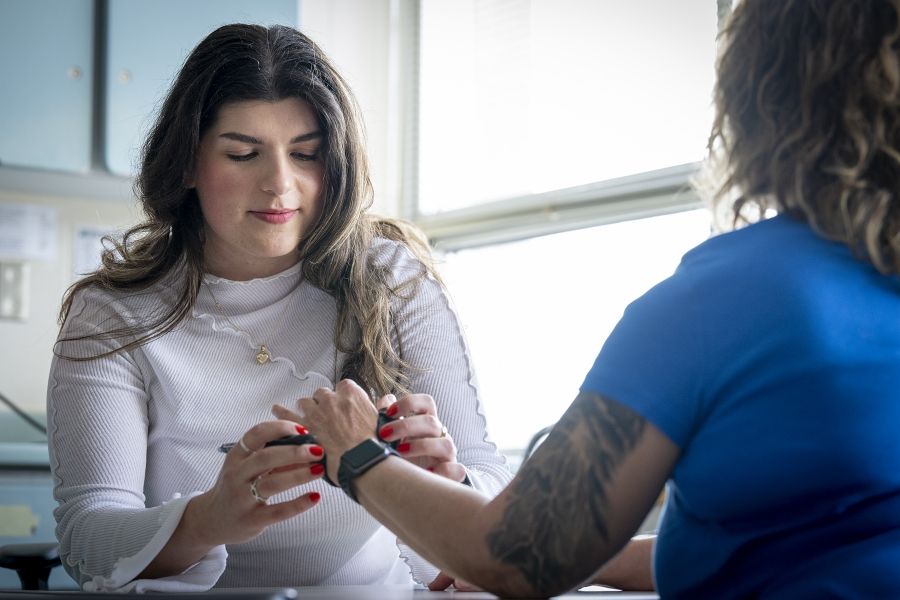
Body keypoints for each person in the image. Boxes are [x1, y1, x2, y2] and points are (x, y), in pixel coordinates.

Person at [280, 0, 900, 597]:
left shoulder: (730, 299)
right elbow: (810, 541)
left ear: (756, 97)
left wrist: (355, 452)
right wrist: (585, 557)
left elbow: (517, 556)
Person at [47, 23, 510, 592]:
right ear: (188, 164)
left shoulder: (392, 279)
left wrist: (446, 481)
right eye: (243, 154)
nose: (279, 185)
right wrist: (208, 517)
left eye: (306, 155)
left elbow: (491, 484)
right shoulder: (113, 313)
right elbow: (86, 539)